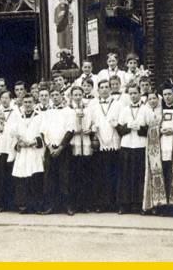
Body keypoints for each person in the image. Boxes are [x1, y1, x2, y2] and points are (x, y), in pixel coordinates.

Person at [143, 82, 173, 215]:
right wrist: (159, 130)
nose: (167, 97)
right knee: (162, 174)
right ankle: (161, 205)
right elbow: (150, 127)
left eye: (169, 94)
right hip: (161, 149)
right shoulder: (157, 111)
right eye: (165, 95)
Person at [116, 84, 154, 214]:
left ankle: (139, 205)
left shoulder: (146, 110)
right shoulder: (125, 110)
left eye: (135, 93)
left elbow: (152, 130)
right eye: (130, 93)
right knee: (126, 175)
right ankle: (124, 205)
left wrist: (141, 129)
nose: (133, 96)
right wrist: (127, 127)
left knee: (139, 175)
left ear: (140, 93)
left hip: (141, 145)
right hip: (127, 145)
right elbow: (119, 129)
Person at [87, 79, 122, 212]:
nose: (104, 89)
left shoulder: (118, 104)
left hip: (114, 142)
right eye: (102, 87)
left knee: (114, 174)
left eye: (107, 87)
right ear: (98, 90)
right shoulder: (93, 105)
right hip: (100, 143)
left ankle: (115, 203)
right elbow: (90, 122)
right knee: (101, 174)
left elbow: (121, 121)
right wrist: (93, 127)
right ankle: (101, 203)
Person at [41, 88, 75, 215]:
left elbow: (70, 131)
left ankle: (67, 206)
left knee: (65, 177)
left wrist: (60, 147)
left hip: (64, 149)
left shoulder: (69, 111)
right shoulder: (47, 113)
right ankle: (51, 206)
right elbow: (44, 132)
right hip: (50, 149)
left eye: (57, 94)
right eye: (53, 95)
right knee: (50, 178)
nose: (55, 97)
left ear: (62, 96)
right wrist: (50, 147)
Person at [12, 94, 45, 214]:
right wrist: (19, 143)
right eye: (25, 102)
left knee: (34, 178)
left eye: (30, 102)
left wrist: (33, 142)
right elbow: (14, 136)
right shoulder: (19, 118)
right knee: (22, 179)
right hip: (23, 152)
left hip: (34, 151)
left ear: (34, 103)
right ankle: (23, 206)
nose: (27, 104)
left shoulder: (39, 117)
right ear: (22, 104)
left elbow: (44, 134)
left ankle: (36, 206)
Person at [68, 86, 94, 214]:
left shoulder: (88, 109)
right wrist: (74, 130)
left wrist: (91, 129)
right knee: (74, 175)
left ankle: (85, 204)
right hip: (75, 143)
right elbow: (66, 126)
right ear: (72, 96)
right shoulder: (69, 110)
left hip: (86, 142)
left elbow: (94, 123)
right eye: (75, 95)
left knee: (85, 175)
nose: (78, 97)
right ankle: (73, 204)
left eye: (80, 94)